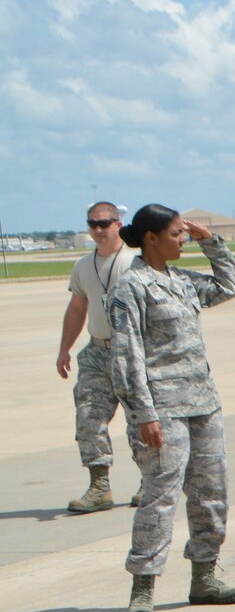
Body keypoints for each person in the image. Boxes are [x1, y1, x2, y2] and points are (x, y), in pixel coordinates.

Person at [105, 204, 235, 612]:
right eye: (175, 233)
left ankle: (204, 578)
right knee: (160, 496)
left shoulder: (181, 282)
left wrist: (209, 240)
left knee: (212, 494)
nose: (181, 239)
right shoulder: (132, 287)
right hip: (161, 410)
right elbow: (126, 356)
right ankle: (143, 588)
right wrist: (142, 413)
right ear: (151, 237)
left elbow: (229, 285)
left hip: (203, 403)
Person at [57, 200, 140, 514]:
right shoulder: (82, 266)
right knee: (88, 417)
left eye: (105, 223)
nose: (98, 230)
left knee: (140, 420)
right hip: (96, 351)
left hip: (130, 352)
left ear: (118, 223)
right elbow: (78, 308)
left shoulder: (134, 262)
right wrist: (65, 349)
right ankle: (99, 487)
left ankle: (150, 481)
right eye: (93, 224)